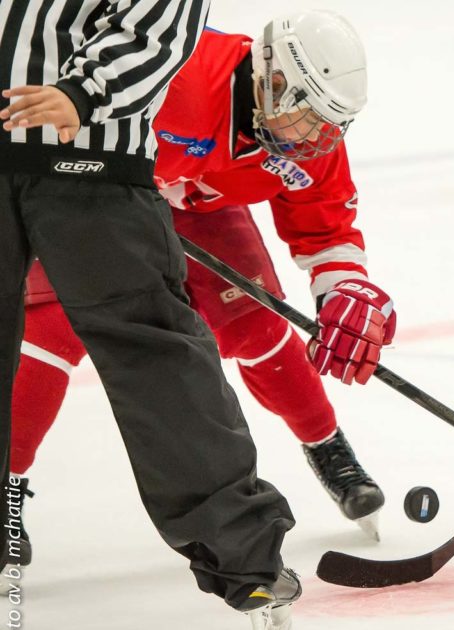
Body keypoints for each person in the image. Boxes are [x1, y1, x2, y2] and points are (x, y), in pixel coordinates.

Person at [7, 8, 394, 564]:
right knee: (54, 327)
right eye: (310, 115)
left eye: (332, 123)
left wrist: (344, 291)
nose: (319, 137)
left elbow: (326, 228)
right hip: (101, 190)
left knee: (257, 323)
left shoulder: (308, 137)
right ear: (273, 81)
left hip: (197, 206)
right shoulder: (182, 73)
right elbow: (72, 103)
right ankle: (7, 485)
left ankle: (328, 445)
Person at [0, 1, 300, 627]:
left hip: (89, 157)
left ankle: (240, 555)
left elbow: (160, 25)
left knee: (154, 350)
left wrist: (82, 91)